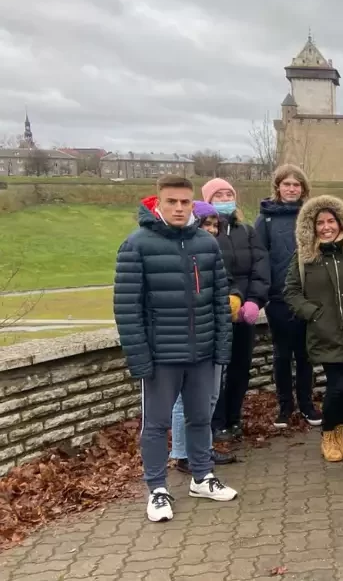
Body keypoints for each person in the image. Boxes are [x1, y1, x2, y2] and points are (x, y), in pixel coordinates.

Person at [114, 176, 237, 523]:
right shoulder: (136, 245)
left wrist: (221, 348)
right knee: (156, 425)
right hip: (161, 356)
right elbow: (127, 309)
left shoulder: (206, 244)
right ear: (159, 203)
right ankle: (157, 489)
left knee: (200, 418)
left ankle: (202, 476)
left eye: (185, 202)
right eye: (172, 202)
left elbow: (219, 301)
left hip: (202, 353)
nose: (179, 208)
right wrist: (140, 357)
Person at [284, 196, 343, 462]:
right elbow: (291, 292)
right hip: (325, 331)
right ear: (312, 226)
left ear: (342, 222)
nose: (326, 227)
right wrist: (313, 314)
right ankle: (327, 436)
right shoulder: (305, 257)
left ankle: (339, 435)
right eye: (320, 223)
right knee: (337, 386)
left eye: (331, 221)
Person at [198, 178, 269, 443]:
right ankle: (216, 422)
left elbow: (261, 266)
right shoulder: (204, 232)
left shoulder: (247, 231)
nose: (225, 199)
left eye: (229, 194)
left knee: (240, 367)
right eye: (219, 195)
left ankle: (234, 417)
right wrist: (229, 299)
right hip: (219, 311)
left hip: (245, 312)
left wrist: (254, 300)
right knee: (218, 370)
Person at [169, 201, 238, 473]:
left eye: (215, 225)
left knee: (210, 397)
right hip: (187, 337)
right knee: (183, 401)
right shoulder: (180, 253)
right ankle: (182, 453)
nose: (211, 229)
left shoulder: (213, 253)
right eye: (205, 224)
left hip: (214, 332)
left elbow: (224, 286)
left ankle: (202, 448)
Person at [256, 165, 321, 428]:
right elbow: (260, 257)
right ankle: (285, 406)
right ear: (278, 187)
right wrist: (265, 292)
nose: (292, 189)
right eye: (287, 184)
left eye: (296, 185)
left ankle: (306, 404)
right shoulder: (265, 219)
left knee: (306, 354)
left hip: (308, 296)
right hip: (278, 297)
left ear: (303, 188)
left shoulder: (311, 215)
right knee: (282, 355)